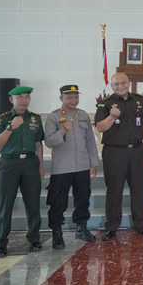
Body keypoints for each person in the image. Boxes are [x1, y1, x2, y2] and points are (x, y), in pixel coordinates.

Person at [94, 73, 143, 241]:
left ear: (129, 83)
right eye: (116, 84)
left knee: (138, 189)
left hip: (136, 151)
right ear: (112, 86)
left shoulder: (139, 101)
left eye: (123, 83)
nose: (120, 86)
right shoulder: (105, 104)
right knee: (114, 190)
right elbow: (100, 127)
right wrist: (112, 116)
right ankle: (111, 227)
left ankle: (141, 224)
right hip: (114, 153)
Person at [0, 86, 45, 259]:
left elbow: (38, 144)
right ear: (11, 100)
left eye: (27, 97)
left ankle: (34, 239)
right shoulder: (3, 119)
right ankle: (0, 244)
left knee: (33, 204)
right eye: (19, 97)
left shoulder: (35, 119)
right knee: (4, 205)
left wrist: (40, 166)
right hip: (9, 163)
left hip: (30, 163)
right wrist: (11, 128)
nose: (23, 100)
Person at [44, 85, 99, 250]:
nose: (73, 100)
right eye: (69, 98)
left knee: (83, 198)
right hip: (62, 167)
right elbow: (48, 142)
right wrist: (62, 131)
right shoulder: (53, 117)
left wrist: (93, 164)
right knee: (58, 202)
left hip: (82, 165)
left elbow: (90, 141)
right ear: (61, 99)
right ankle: (57, 233)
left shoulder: (83, 116)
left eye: (76, 97)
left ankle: (81, 228)